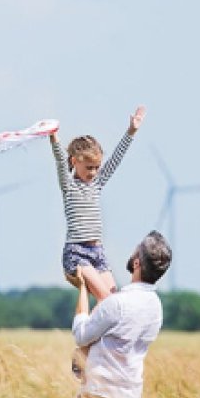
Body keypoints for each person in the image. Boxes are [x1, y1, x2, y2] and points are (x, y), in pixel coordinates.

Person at [50, 106, 146, 302]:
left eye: (96, 168)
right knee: (105, 299)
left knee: (114, 302)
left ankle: (95, 333)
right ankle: (86, 330)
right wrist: (54, 138)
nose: (93, 172)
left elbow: (115, 160)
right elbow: (60, 162)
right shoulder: (69, 186)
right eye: (89, 167)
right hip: (77, 254)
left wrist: (131, 131)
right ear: (75, 161)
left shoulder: (97, 184)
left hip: (98, 253)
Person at [71, 230, 172, 398]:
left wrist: (82, 289)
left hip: (101, 397)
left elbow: (81, 335)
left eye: (136, 249)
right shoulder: (156, 307)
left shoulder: (118, 303)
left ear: (137, 262)